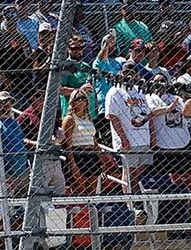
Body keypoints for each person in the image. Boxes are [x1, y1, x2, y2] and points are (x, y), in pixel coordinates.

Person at [105, 62, 153, 194]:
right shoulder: (115, 91)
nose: (129, 76)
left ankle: (136, 200)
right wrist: (124, 139)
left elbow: (148, 114)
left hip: (143, 138)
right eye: (126, 73)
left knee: (137, 174)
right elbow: (112, 116)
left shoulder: (140, 90)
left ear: (137, 75)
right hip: (128, 140)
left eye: (132, 73)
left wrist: (152, 135)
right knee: (129, 173)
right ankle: (131, 204)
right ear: (120, 74)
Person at [0, 91, 29, 195]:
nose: (7, 105)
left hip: (22, 169)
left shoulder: (14, 122)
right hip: (7, 171)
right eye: (3, 102)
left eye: (9, 102)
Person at [62, 87, 101, 194]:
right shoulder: (69, 119)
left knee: (92, 193)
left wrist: (100, 157)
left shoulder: (88, 117)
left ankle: (92, 210)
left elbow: (94, 139)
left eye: (83, 98)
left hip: (91, 155)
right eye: (77, 98)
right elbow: (67, 143)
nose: (81, 101)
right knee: (81, 192)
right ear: (72, 102)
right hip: (78, 154)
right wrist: (73, 164)